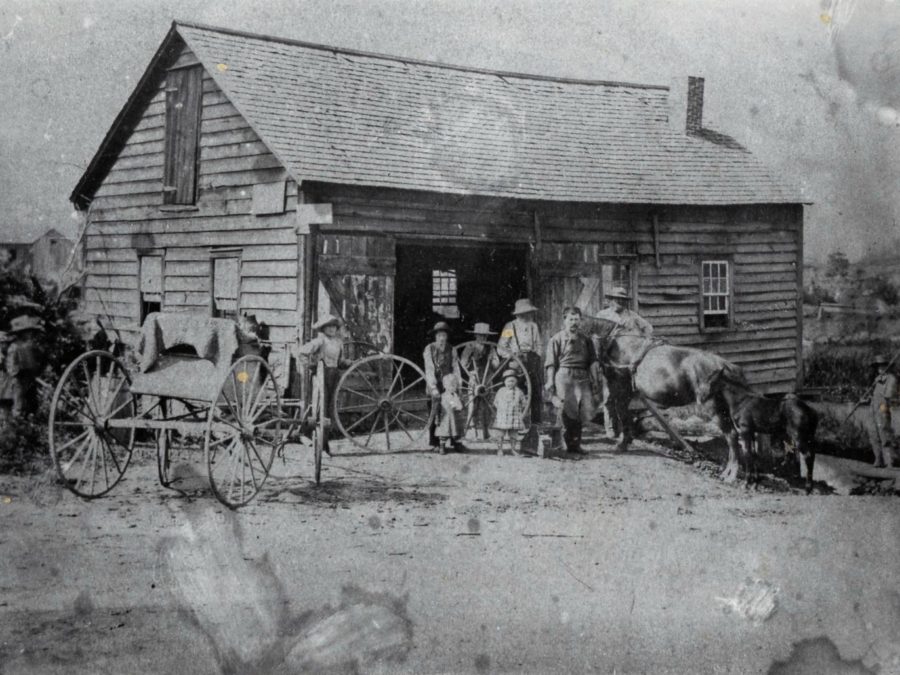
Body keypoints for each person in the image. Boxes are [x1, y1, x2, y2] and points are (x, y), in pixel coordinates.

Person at [594, 287, 653, 440]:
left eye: (622, 300)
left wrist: (639, 341)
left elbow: (649, 329)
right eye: (616, 299)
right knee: (608, 397)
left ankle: (624, 429)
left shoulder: (632, 316)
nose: (619, 302)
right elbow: (595, 338)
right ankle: (610, 428)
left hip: (627, 364)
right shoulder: (602, 316)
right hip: (609, 363)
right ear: (610, 300)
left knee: (624, 397)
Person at [544, 306, 601, 453]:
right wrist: (550, 381)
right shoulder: (556, 339)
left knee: (581, 411)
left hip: (582, 376)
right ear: (564, 320)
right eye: (571, 319)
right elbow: (551, 363)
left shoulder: (586, 340)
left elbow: (593, 362)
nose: (574, 323)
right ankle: (563, 444)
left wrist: (595, 380)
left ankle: (576, 444)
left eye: (577, 319)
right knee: (566, 410)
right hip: (564, 376)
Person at [297, 314, 352, 452]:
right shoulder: (319, 341)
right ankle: (318, 442)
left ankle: (325, 442)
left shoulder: (339, 342)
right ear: (323, 328)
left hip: (334, 376)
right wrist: (312, 367)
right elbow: (301, 352)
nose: (332, 329)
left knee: (330, 409)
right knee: (320, 408)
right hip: (321, 375)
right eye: (329, 326)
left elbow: (340, 362)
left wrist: (349, 363)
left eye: (334, 326)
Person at [497, 298, 543, 425]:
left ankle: (535, 423)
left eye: (529, 312)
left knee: (535, 389)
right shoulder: (510, 326)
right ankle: (511, 421)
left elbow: (539, 345)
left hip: (531, 360)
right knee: (513, 389)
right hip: (514, 361)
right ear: (518, 314)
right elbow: (501, 347)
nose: (527, 315)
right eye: (524, 313)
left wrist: (536, 356)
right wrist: (512, 356)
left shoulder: (534, 326)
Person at [423, 321, 464, 451]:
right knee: (435, 412)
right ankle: (435, 443)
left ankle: (455, 441)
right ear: (435, 336)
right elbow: (429, 368)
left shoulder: (452, 350)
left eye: (444, 335)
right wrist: (433, 387)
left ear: (447, 337)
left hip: (449, 384)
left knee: (452, 411)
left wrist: (458, 384)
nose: (442, 338)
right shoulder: (429, 349)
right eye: (439, 335)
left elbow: (456, 368)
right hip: (434, 383)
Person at [459, 322, 500, 440]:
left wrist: (492, 361)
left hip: (487, 378)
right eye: (480, 336)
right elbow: (463, 363)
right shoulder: (470, 347)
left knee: (487, 405)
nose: (482, 338)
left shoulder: (491, 348)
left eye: (485, 336)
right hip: (474, 378)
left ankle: (486, 431)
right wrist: (467, 362)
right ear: (475, 336)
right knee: (472, 405)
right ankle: (472, 430)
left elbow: (496, 365)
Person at [5, 315, 45, 419]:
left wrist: (36, 370)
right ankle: (17, 422)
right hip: (19, 378)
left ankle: (31, 419)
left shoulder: (31, 345)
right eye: (28, 332)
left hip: (30, 377)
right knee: (19, 400)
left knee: (32, 399)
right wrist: (16, 373)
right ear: (21, 333)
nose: (30, 334)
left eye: (31, 332)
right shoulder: (14, 346)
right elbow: (11, 363)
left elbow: (36, 359)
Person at [868, 354, 897, 468]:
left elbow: (888, 395)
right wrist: (868, 398)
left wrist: (882, 381)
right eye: (878, 366)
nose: (880, 368)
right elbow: (874, 394)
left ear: (887, 366)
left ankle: (889, 461)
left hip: (883, 407)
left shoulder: (891, 379)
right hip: (873, 407)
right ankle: (878, 459)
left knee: (884, 433)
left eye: (883, 366)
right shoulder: (876, 379)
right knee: (873, 433)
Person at [493, 369, 528, 456]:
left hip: (514, 417)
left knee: (514, 434)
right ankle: (500, 449)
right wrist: (502, 410)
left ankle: (513, 449)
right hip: (503, 416)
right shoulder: (501, 391)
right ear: (504, 382)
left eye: (512, 381)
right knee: (500, 433)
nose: (510, 383)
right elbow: (495, 402)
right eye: (508, 381)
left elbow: (524, 403)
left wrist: (518, 409)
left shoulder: (519, 392)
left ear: (515, 382)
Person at [435, 373, 465, 454]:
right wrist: (437, 418)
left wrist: (460, 406)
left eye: (454, 386)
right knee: (444, 433)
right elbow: (452, 404)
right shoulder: (444, 396)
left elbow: (459, 404)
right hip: (446, 418)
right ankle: (442, 447)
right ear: (445, 386)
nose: (453, 388)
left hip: (454, 418)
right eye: (451, 386)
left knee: (457, 432)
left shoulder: (455, 395)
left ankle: (458, 444)